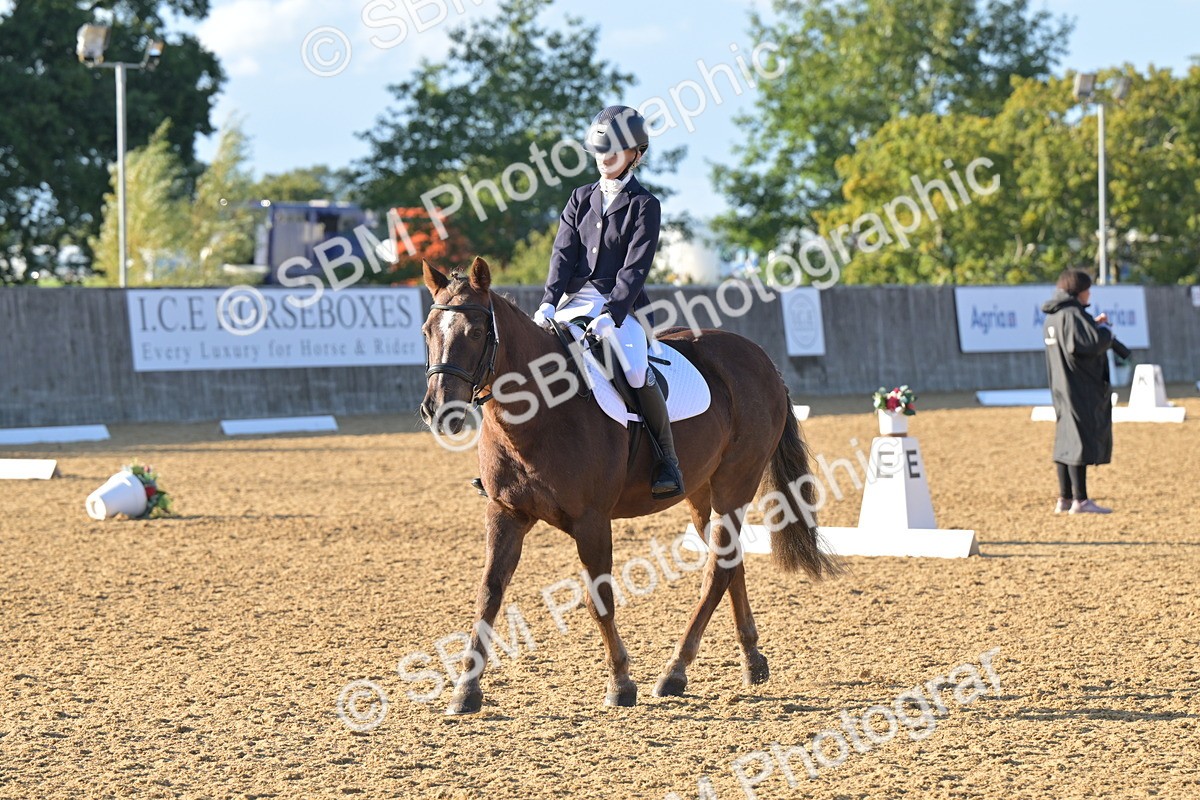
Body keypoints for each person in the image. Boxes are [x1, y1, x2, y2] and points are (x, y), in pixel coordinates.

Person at [530, 105, 684, 499]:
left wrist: (612, 314)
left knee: (632, 370)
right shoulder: (580, 198)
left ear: (636, 153)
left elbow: (636, 267)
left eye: (614, 152)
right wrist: (549, 301)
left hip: (622, 305)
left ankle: (666, 458)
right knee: (530, 357)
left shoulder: (644, 205)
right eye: (600, 152)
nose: (605, 159)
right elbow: (562, 255)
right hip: (572, 300)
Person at [1041, 268, 1131, 514]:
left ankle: (1065, 498)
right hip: (1079, 388)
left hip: (1061, 387)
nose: (1089, 293)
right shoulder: (1072, 314)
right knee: (1078, 440)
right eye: (1087, 289)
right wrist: (1104, 332)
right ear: (1078, 291)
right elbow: (1088, 345)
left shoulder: (1053, 316)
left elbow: (1075, 342)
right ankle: (1081, 500)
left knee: (1065, 441)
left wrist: (1092, 324)